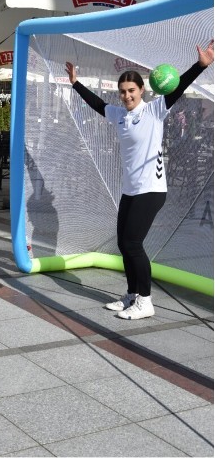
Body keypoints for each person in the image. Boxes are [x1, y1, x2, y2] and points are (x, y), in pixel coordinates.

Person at [65, 40, 214, 320]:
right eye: (122, 92)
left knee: (133, 243)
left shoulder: (154, 110)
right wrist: (75, 84)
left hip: (152, 190)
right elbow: (98, 104)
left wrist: (201, 66)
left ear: (142, 90)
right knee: (124, 243)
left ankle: (145, 301)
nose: (126, 96)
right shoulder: (120, 114)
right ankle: (132, 295)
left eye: (131, 91)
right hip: (131, 190)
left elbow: (178, 86)